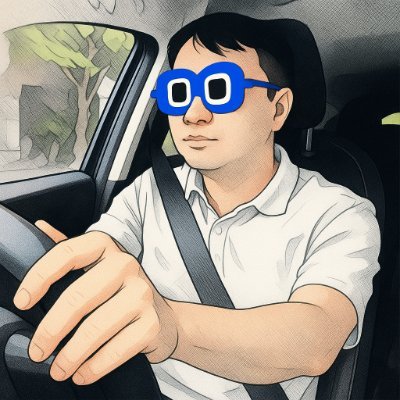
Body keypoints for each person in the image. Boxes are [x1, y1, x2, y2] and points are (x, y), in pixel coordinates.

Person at [13, 13, 380, 400]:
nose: (193, 114)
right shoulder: (151, 189)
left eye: (220, 89)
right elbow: (107, 246)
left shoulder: (339, 213)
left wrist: (174, 327)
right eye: (179, 92)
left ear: (277, 108)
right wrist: (81, 271)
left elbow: (316, 337)